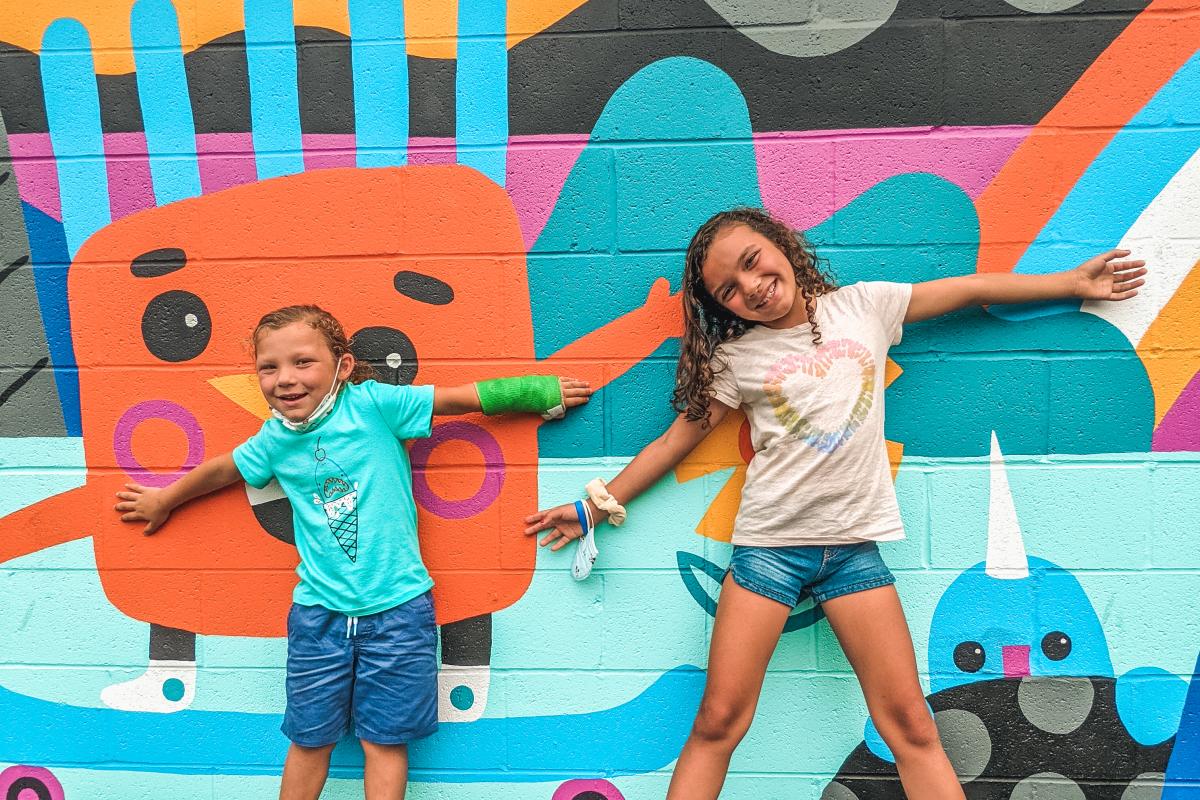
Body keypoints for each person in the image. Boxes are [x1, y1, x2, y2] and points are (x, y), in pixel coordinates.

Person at [525, 208, 1146, 799]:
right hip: (769, 553)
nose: (752, 286)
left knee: (910, 725)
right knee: (719, 721)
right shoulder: (736, 359)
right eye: (729, 291)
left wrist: (1069, 283)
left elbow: (965, 290)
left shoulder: (865, 307)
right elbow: (673, 443)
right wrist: (592, 507)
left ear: (779, 243)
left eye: (753, 260)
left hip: (853, 554)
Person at [115, 304, 591, 800]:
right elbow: (223, 471)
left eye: (303, 362)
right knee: (308, 741)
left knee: (383, 742)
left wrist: (540, 392)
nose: (285, 379)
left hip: (399, 614)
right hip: (318, 617)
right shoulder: (275, 439)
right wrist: (163, 499)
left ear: (342, 367)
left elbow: (460, 400)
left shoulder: (372, 405)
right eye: (268, 367)